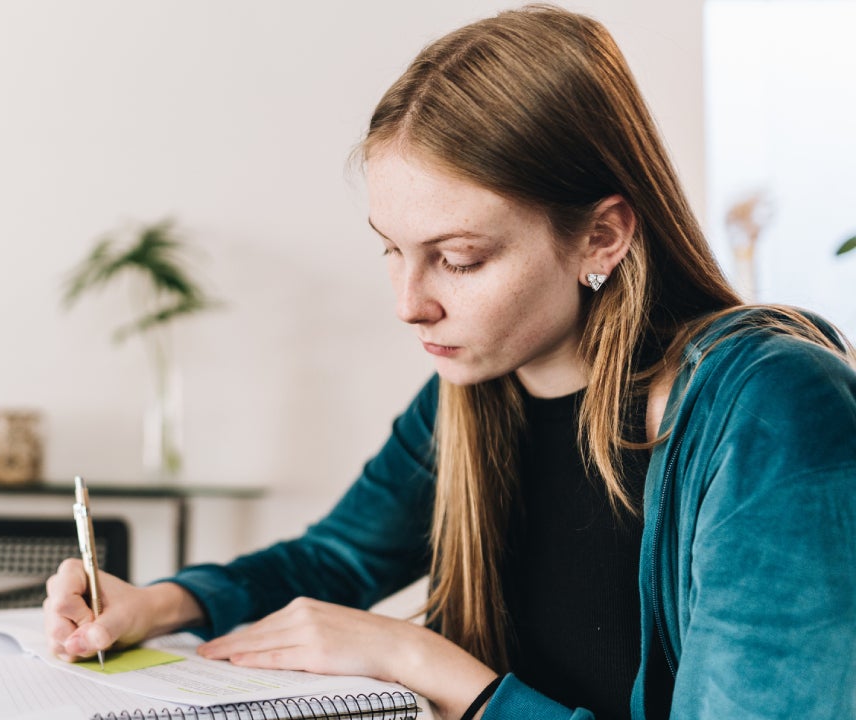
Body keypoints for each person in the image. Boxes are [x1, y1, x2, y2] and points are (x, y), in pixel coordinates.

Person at [43, 5, 856, 719]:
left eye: (459, 259)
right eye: (392, 250)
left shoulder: (775, 409)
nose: (410, 303)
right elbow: (334, 558)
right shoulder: (472, 397)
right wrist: (158, 604)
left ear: (601, 237)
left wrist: (422, 664)